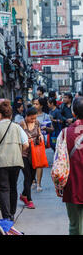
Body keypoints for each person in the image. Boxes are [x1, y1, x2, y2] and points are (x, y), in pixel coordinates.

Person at [0, 100, 29, 221]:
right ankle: (12, 213)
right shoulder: (17, 127)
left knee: (4, 188)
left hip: (1, 162)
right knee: (13, 186)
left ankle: (6, 216)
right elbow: (26, 145)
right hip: (16, 161)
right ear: (10, 115)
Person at [62, 96, 83, 235]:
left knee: (75, 225)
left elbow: (59, 163)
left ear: (73, 113)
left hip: (73, 184)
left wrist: (59, 185)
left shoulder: (64, 133)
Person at [19, 107, 43, 209]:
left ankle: (23, 195)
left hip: (34, 154)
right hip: (23, 154)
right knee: (28, 177)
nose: (33, 120)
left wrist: (41, 136)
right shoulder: (21, 124)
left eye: (34, 118)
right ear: (27, 116)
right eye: (31, 118)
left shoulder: (37, 123)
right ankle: (29, 200)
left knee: (32, 177)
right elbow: (18, 138)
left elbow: (39, 132)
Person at [32, 97, 53, 191]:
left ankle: (39, 184)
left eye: (36, 104)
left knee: (39, 164)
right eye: (34, 103)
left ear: (41, 105)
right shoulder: (30, 115)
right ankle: (33, 180)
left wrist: (46, 128)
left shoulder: (46, 116)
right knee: (31, 163)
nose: (34, 105)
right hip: (30, 142)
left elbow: (51, 129)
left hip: (41, 142)